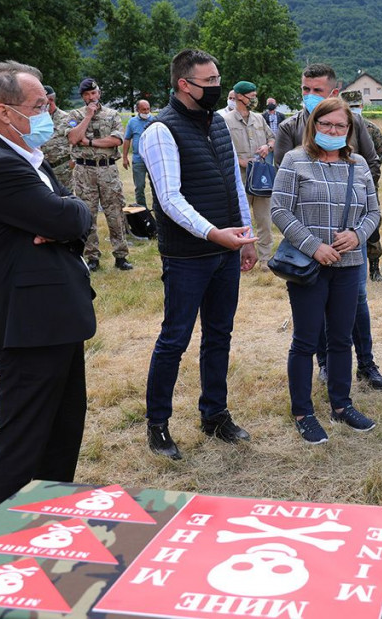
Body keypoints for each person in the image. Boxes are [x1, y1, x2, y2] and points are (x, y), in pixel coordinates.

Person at [0, 60, 96, 512]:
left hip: (56, 318)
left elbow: (72, 223)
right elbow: (68, 216)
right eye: (39, 105)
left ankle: (46, 522)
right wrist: (65, 215)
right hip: (28, 324)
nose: (49, 112)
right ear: (5, 111)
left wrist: (65, 216)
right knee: (23, 439)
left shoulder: (27, 160)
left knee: (62, 431)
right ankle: (0, 541)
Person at [139, 49, 258, 460]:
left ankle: (214, 414)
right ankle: (158, 425)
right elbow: (169, 199)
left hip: (227, 250)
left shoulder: (219, 126)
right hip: (189, 256)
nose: (216, 89)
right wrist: (213, 235)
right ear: (183, 85)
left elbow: (235, 184)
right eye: (208, 83)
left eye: (218, 81)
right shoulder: (160, 131)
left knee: (219, 335)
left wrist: (246, 236)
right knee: (175, 339)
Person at [271, 97, 381, 444]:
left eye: (340, 126)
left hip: (349, 266)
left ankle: (341, 404)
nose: (333, 131)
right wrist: (313, 246)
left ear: (349, 130)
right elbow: (279, 210)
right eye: (326, 124)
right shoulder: (295, 160)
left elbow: (373, 213)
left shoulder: (359, 164)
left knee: (341, 338)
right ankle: (303, 412)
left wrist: (357, 235)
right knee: (305, 340)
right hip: (309, 266)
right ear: (313, 125)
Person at [277, 64, 382, 391]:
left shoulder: (351, 123)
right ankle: (325, 363)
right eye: (305, 89)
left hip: (349, 233)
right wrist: (309, 237)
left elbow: (369, 162)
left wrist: (356, 214)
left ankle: (366, 364)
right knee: (314, 311)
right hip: (309, 239)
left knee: (356, 302)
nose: (310, 96)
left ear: (333, 91)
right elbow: (285, 189)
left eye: (317, 90)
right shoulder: (289, 128)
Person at [67, 78, 132, 271]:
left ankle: (121, 256)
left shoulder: (112, 115)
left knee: (115, 213)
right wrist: (87, 117)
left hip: (107, 169)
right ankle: (92, 257)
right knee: (88, 214)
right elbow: (72, 137)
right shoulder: (75, 114)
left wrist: (87, 142)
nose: (91, 97)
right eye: (86, 95)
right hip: (84, 170)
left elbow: (116, 140)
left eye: (93, 93)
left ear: (99, 93)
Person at [223, 80, 275, 268]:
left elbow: (272, 138)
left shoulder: (259, 118)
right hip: (239, 177)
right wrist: (241, 162)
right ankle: (239, 257)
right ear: (238, 97)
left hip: (260, 176)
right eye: (251, 96)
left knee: (264, 219)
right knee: (239, 219)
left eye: (255, 96)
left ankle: (265, 259)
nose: (254, 99)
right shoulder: (225, 121)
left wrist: (267, 147)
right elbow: (221, 150)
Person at [342, 90, 382, 281]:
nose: (354, 110)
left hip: (367, 185)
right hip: (341, 186)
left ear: (361, 106)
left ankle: (375, 269)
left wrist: (367, 182)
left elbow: (379, 157)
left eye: (356, 106)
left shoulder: (371, 129)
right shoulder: (338, 128)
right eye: (350, 107)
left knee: (372, 226)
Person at [122, 99, 157, 208]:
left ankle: (158, 208)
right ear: (137, 110)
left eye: (148, 109)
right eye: (143, 109)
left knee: (156, 186)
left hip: (153, 159)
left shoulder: (155, 120)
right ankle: (142, 210)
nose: (146, 112)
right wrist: (124, 157)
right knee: (140, 186)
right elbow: (127, 139)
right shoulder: (132, 122)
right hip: (138, 160)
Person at [39, 85, 73, 189]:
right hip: (43, 169)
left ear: (50, 100)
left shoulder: (67, 118)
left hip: (63, 169)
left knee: (66, 199)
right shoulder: (36, 119)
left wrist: (74, 161)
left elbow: (75, 140)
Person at [262, 97, 282, 164]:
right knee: (268, 163)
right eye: (269, 103)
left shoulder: (281, 116)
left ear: (276, 104)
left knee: (279, 163)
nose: (270, 104)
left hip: (279, 143)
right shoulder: (263, 116)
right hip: (268, 144)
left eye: (272, 103)